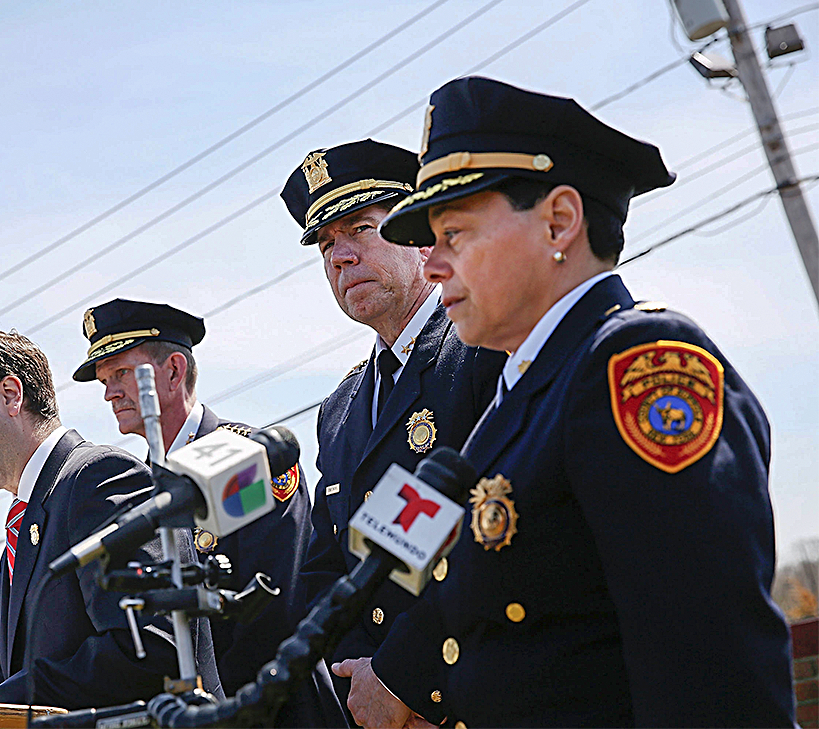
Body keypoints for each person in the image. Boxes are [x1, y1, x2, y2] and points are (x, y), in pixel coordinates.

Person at [337, 76, 795, 727]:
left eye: (455, 232)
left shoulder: (640, 364)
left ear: (559, 221)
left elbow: (710, 666)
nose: (432, 262)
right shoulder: (519, 398)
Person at [279, 139, 505, 720]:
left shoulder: (482, 350)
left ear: (422, 237)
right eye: (327, 244)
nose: (340, 256)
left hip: (477, 693)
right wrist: (357, 676)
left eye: (359, 229)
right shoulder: (342, 407)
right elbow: (332, 565)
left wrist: (403, 676)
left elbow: (497, 538)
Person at [73, 298, 346, 727]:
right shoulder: (140, 487)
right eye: (105, 380)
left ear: (175, 370)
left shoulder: (247, 458)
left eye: (122, 373)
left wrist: (219, 712)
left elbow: (271, 608)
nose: (110, 392)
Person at [0, 329, 218, 709]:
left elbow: (147, 648)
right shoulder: (27, 521)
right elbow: (10, 677)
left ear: (10, 396)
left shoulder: (98, 478)